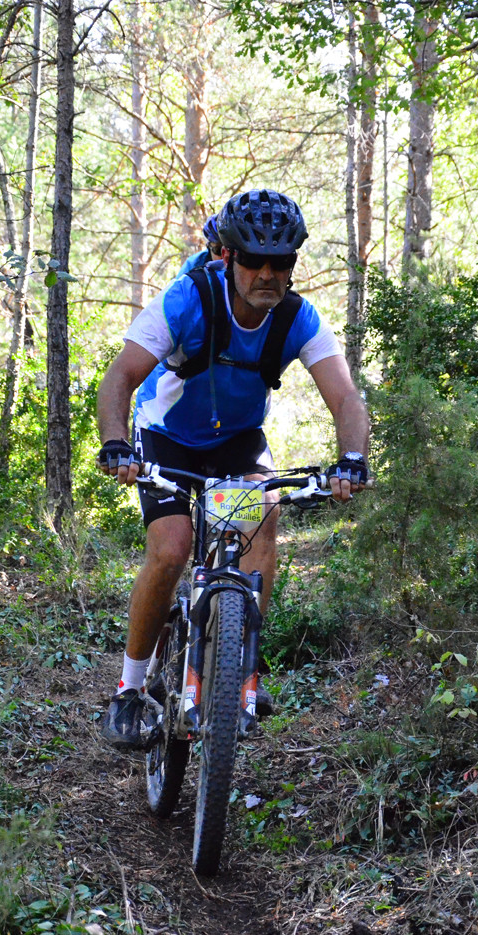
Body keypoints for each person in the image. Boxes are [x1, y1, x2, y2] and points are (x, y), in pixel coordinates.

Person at [96, 188, 369, 749]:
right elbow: (119, 378)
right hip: (167, 438)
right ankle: (129, 689)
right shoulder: (187, 300)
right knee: (172, 548)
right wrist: (117, 444)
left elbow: (346, 398)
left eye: (282, 262)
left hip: (237, 445)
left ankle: (243, 668)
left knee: (259, 520)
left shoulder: (297, 317)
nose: (267, 274)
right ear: (229, 258)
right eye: (254, 260)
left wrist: (353, 460)